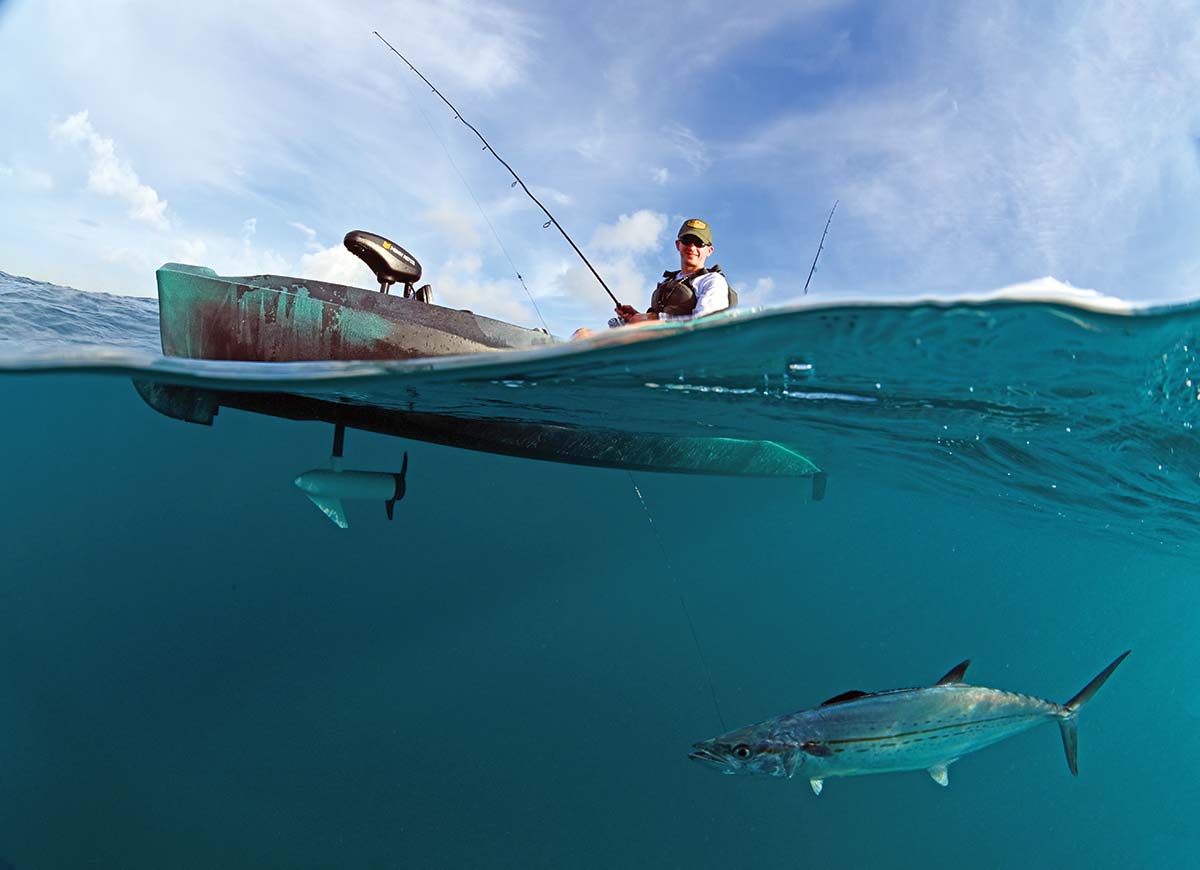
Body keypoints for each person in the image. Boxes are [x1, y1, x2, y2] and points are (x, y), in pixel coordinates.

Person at [572, 218, 734, 339]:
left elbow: (707, 325)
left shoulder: (713, 281)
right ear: (678, 245)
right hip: (650, 344)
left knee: (585, 337)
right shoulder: (670, 281)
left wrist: (652, 319)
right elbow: (658, 319)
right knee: (581, 333)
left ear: (710, 250)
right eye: (687, 241)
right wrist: (635, 317)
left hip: (677, 350)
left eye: (699, 243)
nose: (692, 247)